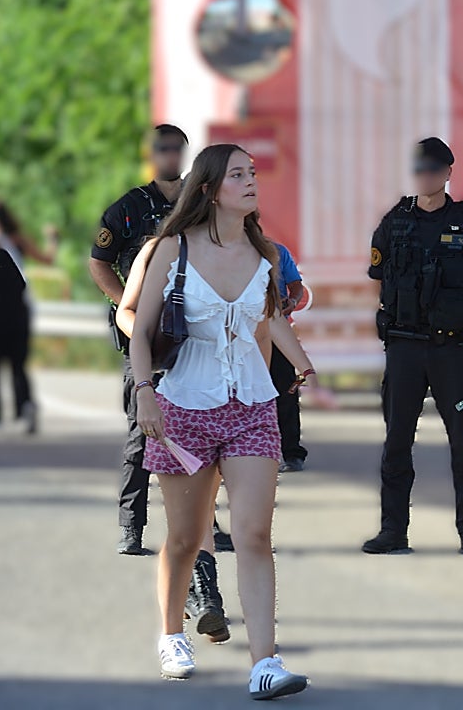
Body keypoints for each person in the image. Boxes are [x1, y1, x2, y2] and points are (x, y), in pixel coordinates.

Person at [123, 143, 315, 698]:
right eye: (238, 175)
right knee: (185, 538)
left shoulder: (265, 252)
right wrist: (145, 396)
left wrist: (300, 361)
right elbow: (141, 330)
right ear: (209, 189)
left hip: (253, 405)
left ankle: (266, 663)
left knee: (255, 534)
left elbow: (269, 314)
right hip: (183, 405)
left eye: (253, 173)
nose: (251, 182)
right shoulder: (171, 249)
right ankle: (170, 635)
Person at [361, 137, 463, 557]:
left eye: (435, 170)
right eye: (421, 169)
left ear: (448, 172)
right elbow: (379, 280)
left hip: (451, 350)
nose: (427, 176)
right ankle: (393, 530)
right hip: (404, 347)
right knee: (397, 441)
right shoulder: (395, 221)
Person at [88, 124, 186, 556]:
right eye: (162, 149)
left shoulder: (199, 202)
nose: (170, 155)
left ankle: (207, 523)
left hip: (191, 330)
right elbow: (100, 264)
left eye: (177, 148)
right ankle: (132, 526)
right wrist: (126, 305)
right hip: (142, 334)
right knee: (142, 431)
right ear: (151, 154)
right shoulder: (127, 209)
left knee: (201, 425)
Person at [0, 200, 57, 434]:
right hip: (20, 309)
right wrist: (53, 239)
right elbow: (47, 259)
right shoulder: (19, 240)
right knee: (18, 364)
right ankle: (25, 408)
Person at [0, 231, 27, 433]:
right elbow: (21, 285)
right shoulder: (4, 255)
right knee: (17, 367)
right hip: (17, 319)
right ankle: (24, 410)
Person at [271, 242, 308, 472]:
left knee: (286, 392)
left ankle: (291, 451)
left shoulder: (277, 252)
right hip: (239, 336)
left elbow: (296, 285)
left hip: (277, 333)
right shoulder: (221, 250)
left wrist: (292, 301)